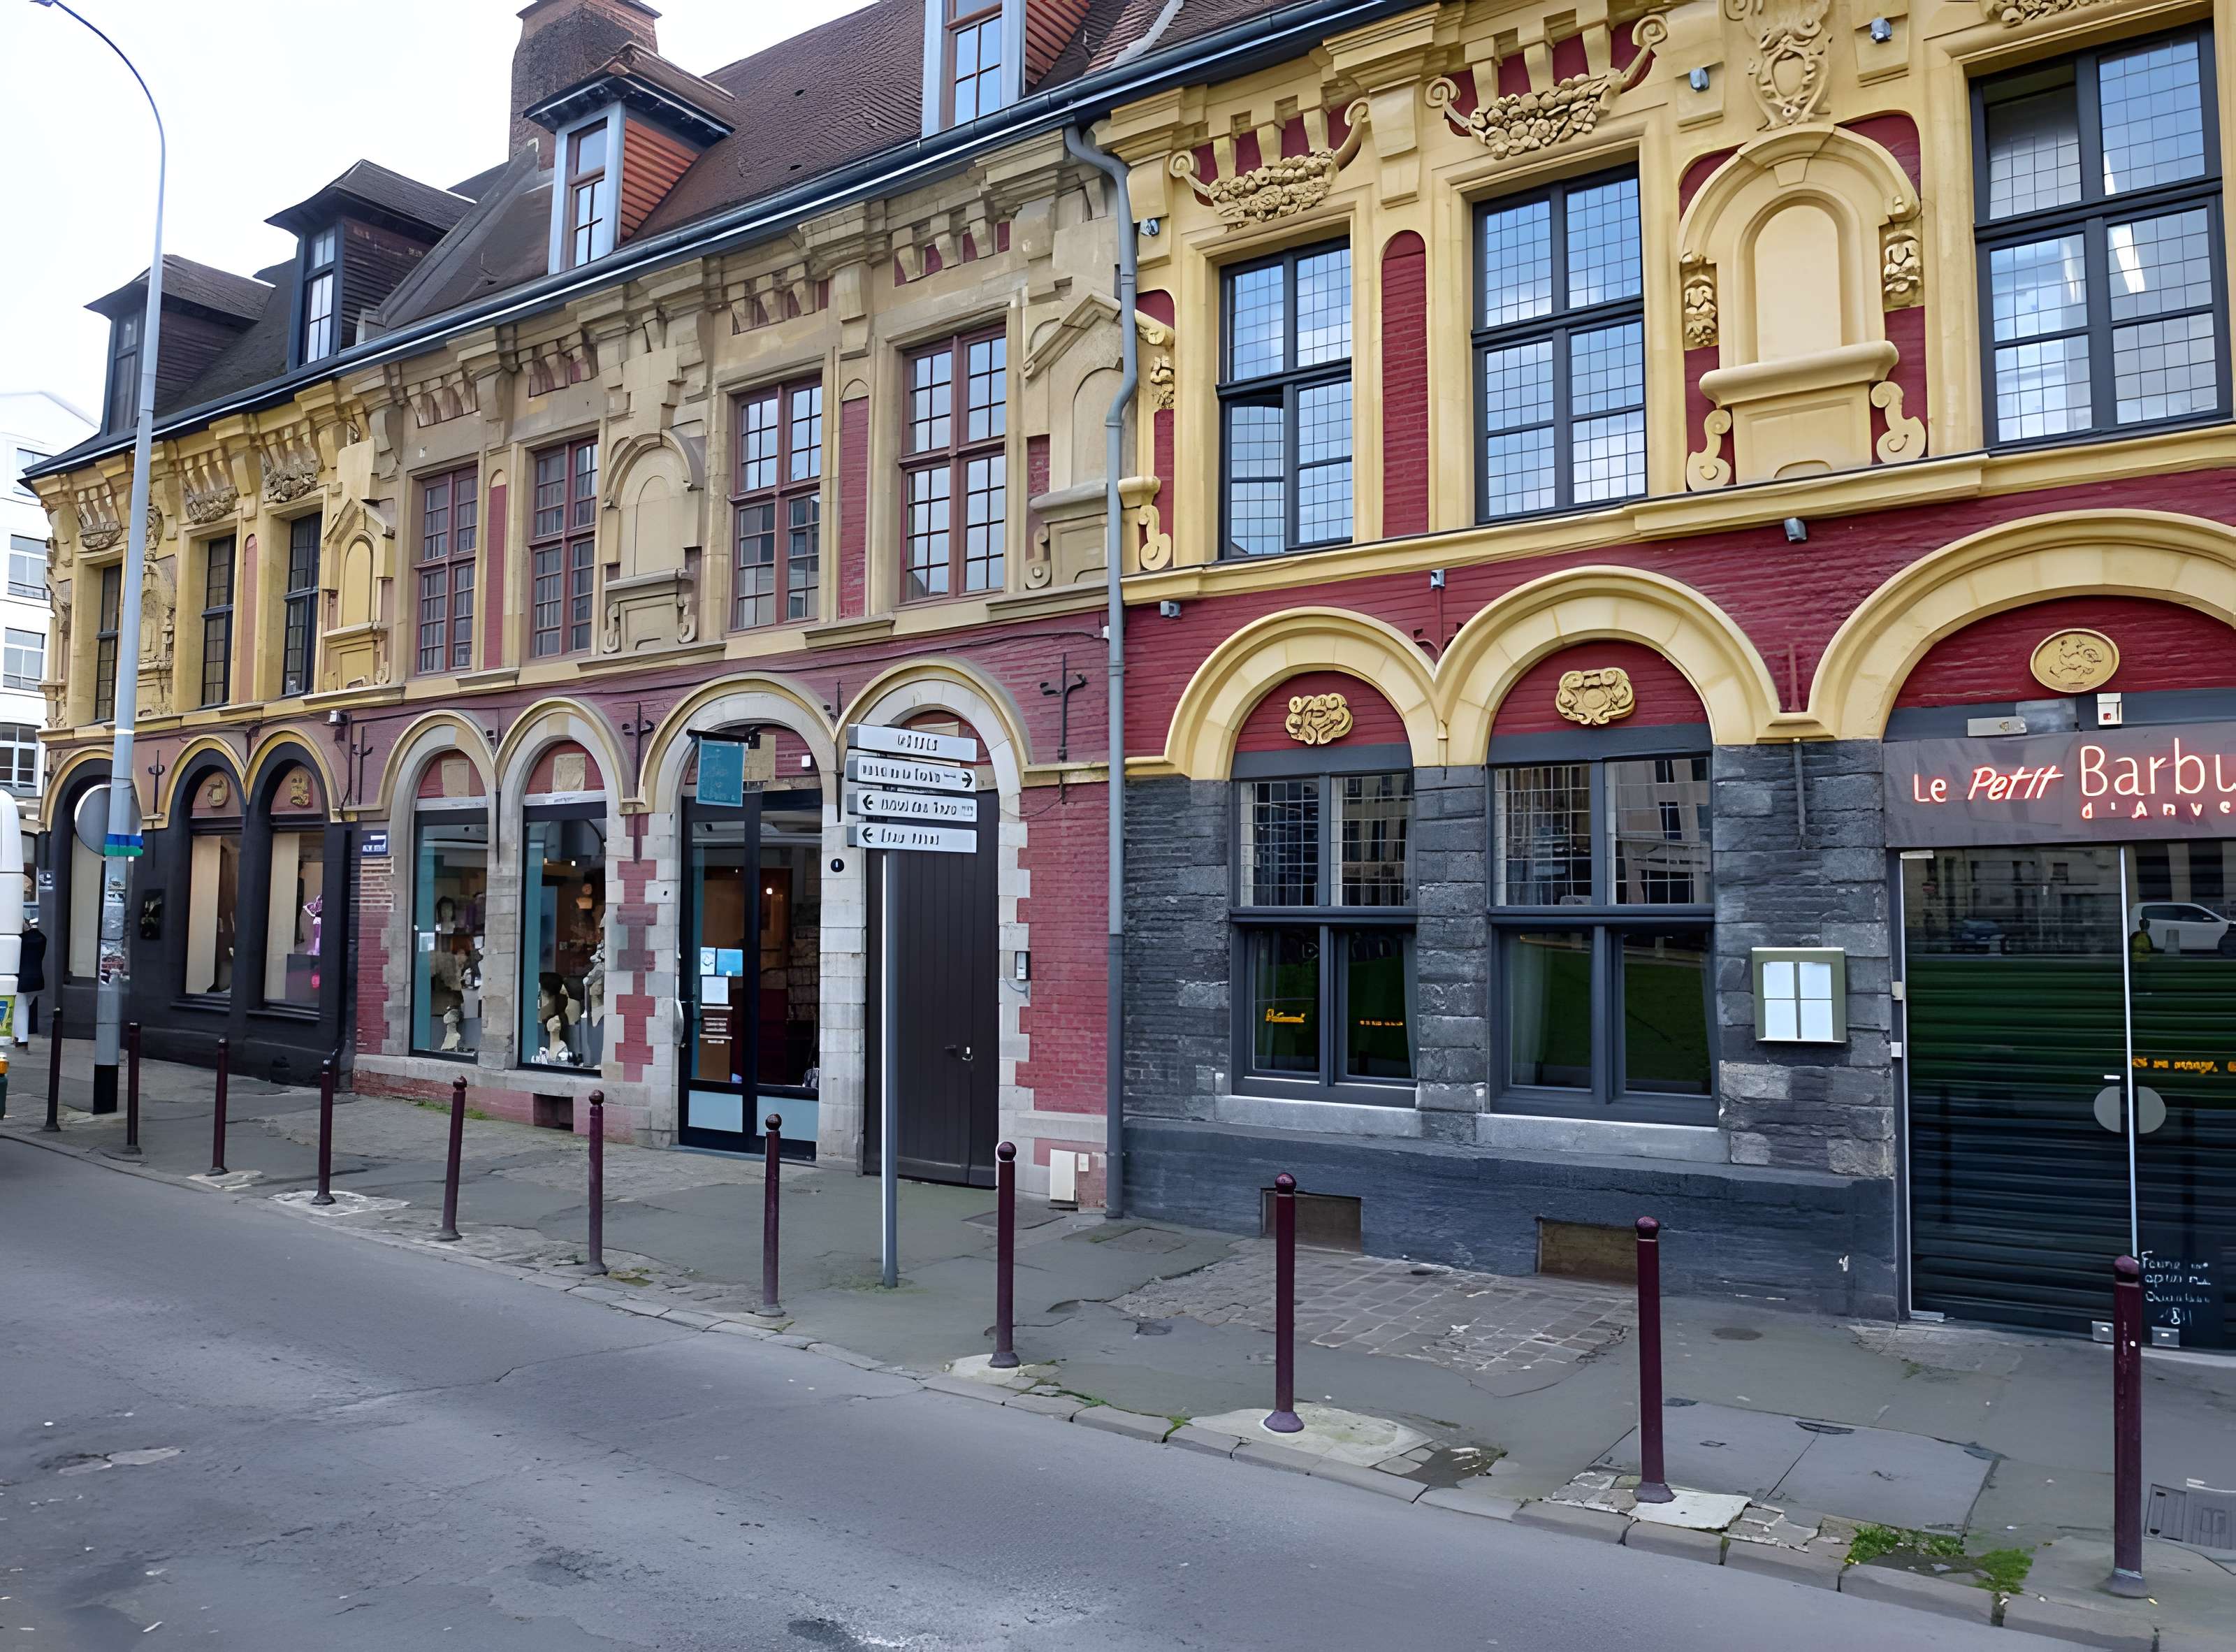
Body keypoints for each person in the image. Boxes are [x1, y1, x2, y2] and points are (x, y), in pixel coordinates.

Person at [15, 910, 47, 1046]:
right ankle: (25, 1035)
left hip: (22, 979)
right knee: (26, 1006)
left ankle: (21, 1038)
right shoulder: (42, 938)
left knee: (19, 1008)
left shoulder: (21, 940)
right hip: (37, 978)